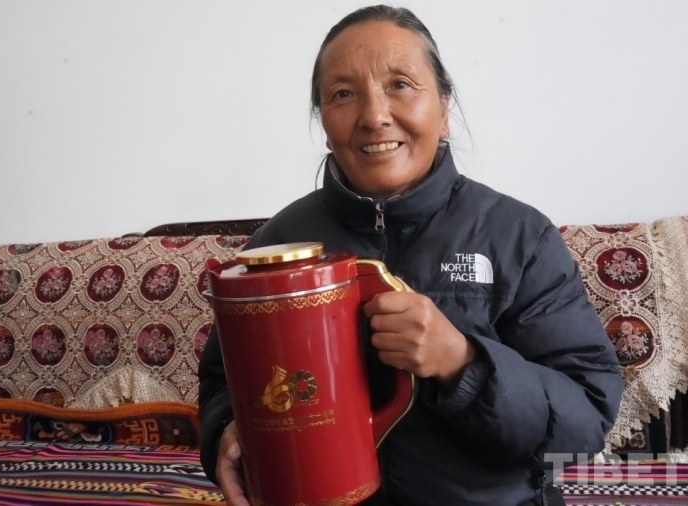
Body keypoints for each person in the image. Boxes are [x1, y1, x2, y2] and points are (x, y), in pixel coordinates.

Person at [199, 5, 624, 506]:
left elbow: (586, 415)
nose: (374, 116)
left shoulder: (520, 236)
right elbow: (224, 381)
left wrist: (462, 362)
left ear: (443, 109)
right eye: (343, 94)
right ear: (324, 123)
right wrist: (227, 432)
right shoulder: (278, 243)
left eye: (400, 84)